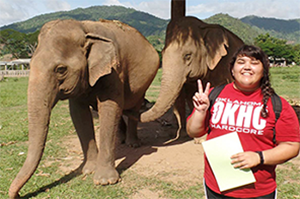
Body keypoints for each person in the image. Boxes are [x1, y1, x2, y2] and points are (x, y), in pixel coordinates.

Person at [186, 45, 300, 199]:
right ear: (232, 70)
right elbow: (194, 132)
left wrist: (259, 157)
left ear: (264, 71)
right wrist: (200, 111)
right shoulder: (214, 95)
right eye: (241, 62)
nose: (247, 67)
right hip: (216, 186)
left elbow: (292, 146)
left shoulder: (279, 105)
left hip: (257, 191)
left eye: (254, 63)